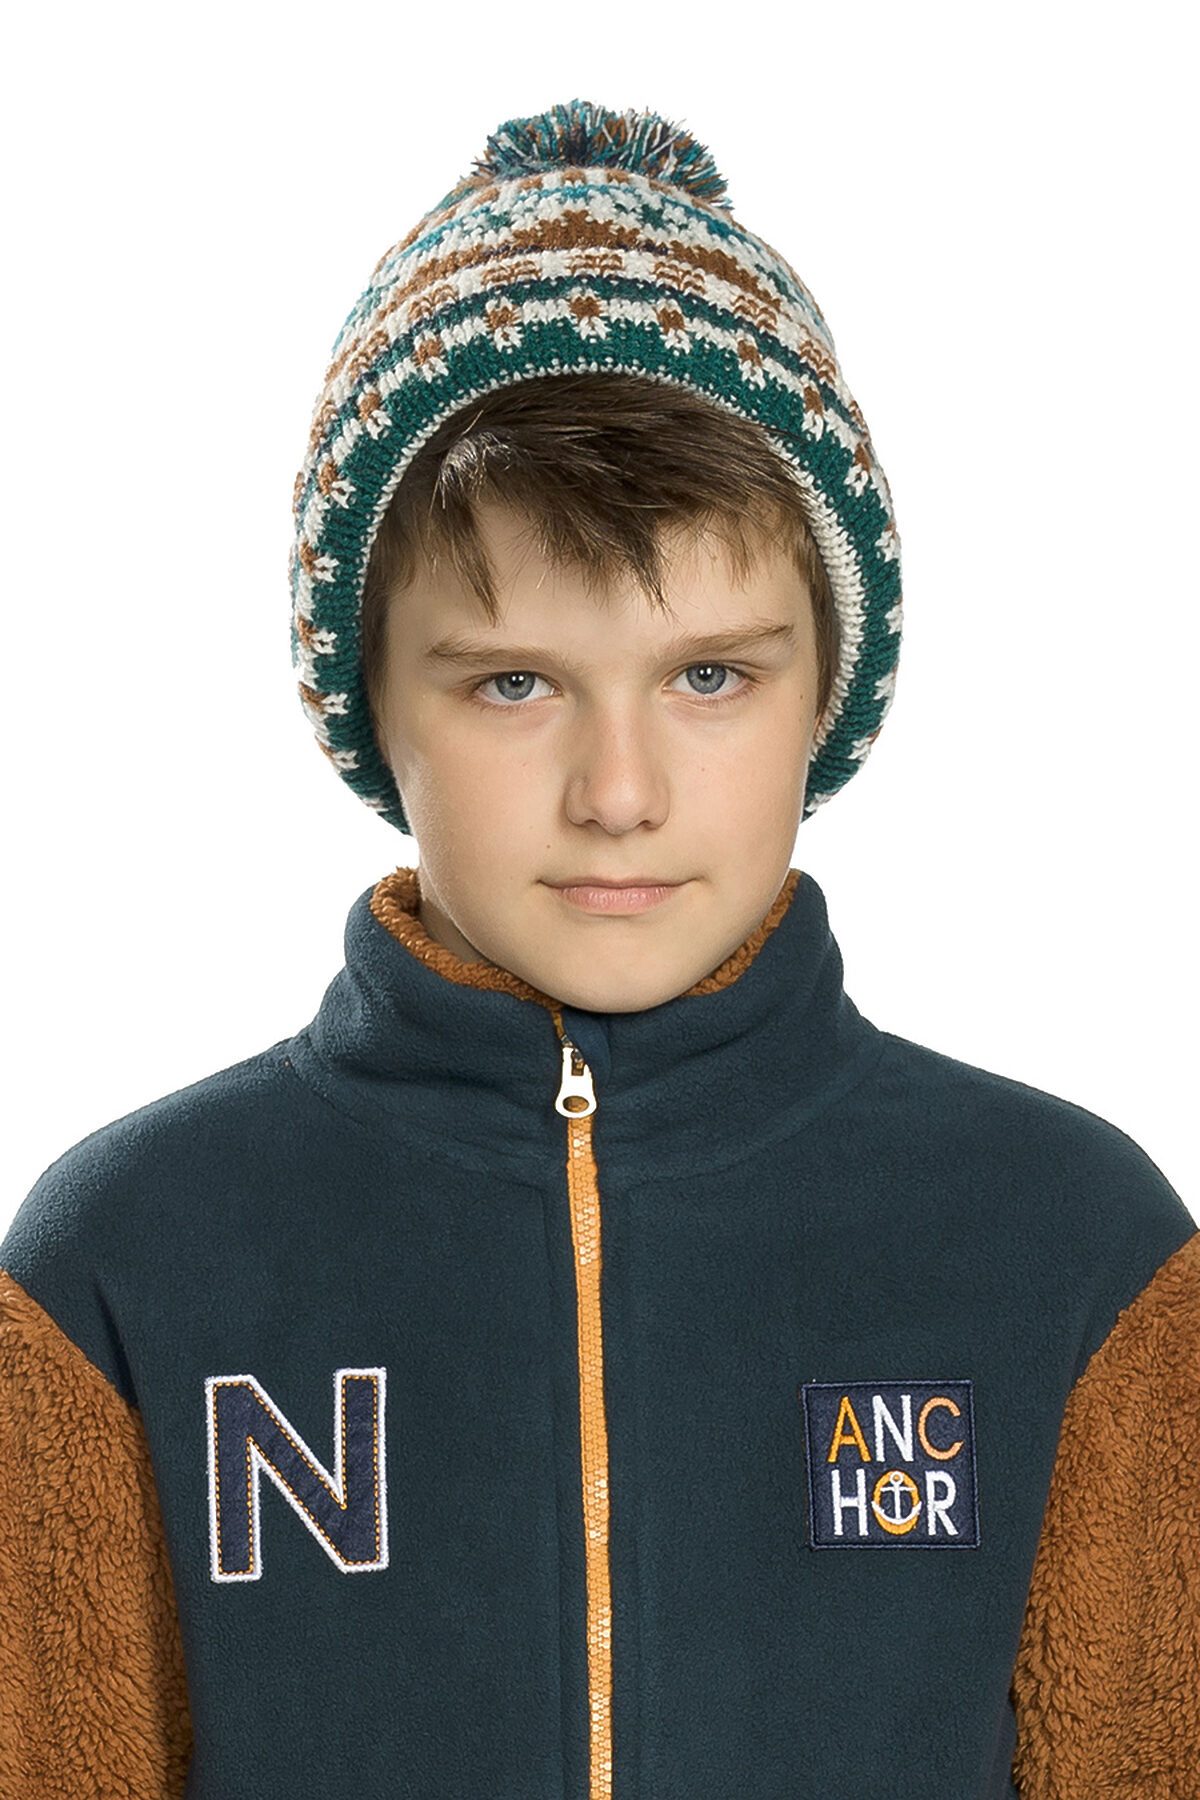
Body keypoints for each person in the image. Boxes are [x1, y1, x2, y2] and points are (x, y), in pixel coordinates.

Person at [2, 95, 1197, 1800]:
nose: (620, 793)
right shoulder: (125, 1262)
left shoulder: (1076, 1250)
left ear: (826, 695)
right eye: (514, 683)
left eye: (711, 676)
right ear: (368, 703)